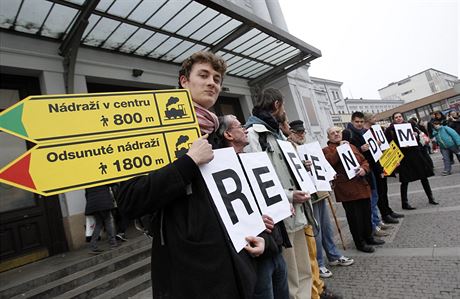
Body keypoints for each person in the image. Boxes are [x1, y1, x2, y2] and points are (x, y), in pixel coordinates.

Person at [117, 51, 264, 299]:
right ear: (184, 81)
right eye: (204, 75)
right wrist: (188, 163)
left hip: (237, 268)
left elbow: (235, 199)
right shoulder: (150, 131)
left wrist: (260, 236)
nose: (212, 83)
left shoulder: (220, 136)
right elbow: (129, 199)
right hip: (190, 276)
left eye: (217, 79)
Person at [244, 88, 313, 299]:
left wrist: (301, 166)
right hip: (280, 216)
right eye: (283, 106)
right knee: (291, 275)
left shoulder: (278, 132)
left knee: (304, 269)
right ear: (277, 105)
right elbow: (257, 178)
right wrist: (289, 196)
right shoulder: (253, 134)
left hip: (297, 212)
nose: (285, 113)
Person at [215, 114, 291, 299]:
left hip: (276, 246)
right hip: (256, 254)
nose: (246, 129)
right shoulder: (220, 169)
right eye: (240, 126)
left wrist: (282, 203)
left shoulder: (254, 161)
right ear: (229, 135)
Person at [288, 120, 354, 280]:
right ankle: (319, 263)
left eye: (302, 132)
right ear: (291, 133)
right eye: (297, 132)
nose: (301, 134)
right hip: (307, 195)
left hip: (319, 190)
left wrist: (328, 174)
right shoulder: (288, 147)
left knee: (326, 227)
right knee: (315, 230)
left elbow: (321, 163)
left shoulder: (307, 146)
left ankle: (333, 254)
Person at [323, 126, 384, 253]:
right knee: (355, 219)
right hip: (347, 190)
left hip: (361, 186)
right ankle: (360, 242)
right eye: (332, 133)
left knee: (366, 215)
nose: (336, 134)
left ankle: (369, 237)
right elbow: (330, 162)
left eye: (338, 132)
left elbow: (364, 161)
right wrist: (340, 148)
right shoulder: (327, 150)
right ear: (328, 137)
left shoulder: (351, 146)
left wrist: (364, 169)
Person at [342, 112, 387, 238]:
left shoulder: (364, 132)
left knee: (375, 196)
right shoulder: (348, 134)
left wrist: (374, 145)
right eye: (357, 122)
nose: (359, 124)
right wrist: (361, 149)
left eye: (361, 122)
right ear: (352, 121)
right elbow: (347, 153)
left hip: (369, 168)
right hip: (360, 173)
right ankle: (373, 227)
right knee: (371, 200)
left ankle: (377, 222)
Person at [385, 112, 438, 209]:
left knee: (423, 177)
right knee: (405, 180)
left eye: (400, 116)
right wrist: (394, 159)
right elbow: (389, 144)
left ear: (402, 117)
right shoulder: (390, 130)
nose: (398, 118)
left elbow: (418, 137)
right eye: (396, 117)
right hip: (403, 156)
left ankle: (431, 197)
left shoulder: (410, 125)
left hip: (415, 153)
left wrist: (415, 135)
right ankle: (404, 203)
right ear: (393, 119)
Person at [363, 113, 404, 225]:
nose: (376, 119)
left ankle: (388, 210)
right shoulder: (364, 132)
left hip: (383, 161)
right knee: (380, 191)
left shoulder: (376, 129)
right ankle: (385, 214)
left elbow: (385, 145)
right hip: (375, 165)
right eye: (374, 118)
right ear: (369, 119)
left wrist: (393, 159)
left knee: (384, 189)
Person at [85, 184, 119, 254]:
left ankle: (93, 246)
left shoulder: (87, 180)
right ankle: (113, 243)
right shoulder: (101, 176)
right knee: (108, 221)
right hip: (104, 203)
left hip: (93, 205)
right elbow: (113, 184)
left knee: (98, 224)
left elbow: (86, 195)